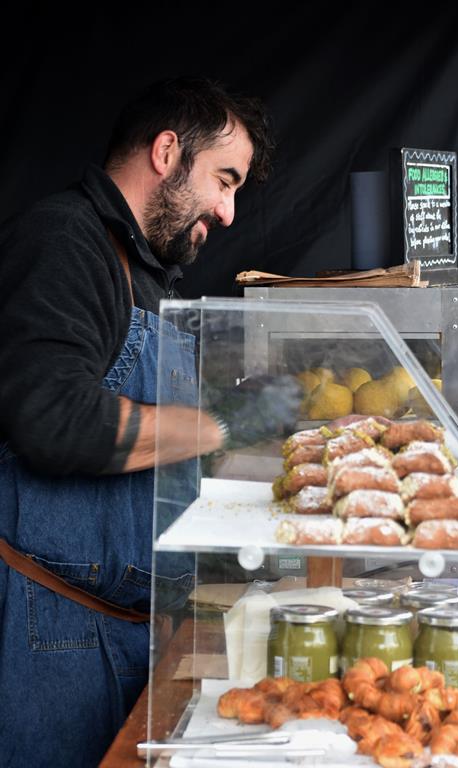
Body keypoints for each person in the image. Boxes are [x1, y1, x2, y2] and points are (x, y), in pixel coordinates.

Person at [0, 76, 301, 767]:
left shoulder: (146, 270)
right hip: (47, 636)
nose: (228, 212)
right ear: (167, 151)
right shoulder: (65, 241)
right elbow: (53, 418)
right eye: (224, 180)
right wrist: (221, 423)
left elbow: (161, 450)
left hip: (127, 631)